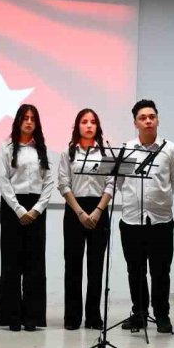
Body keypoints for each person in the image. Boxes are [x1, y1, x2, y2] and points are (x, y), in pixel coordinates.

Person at [117, 99, 174, 333]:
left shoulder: (170, 150)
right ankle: (140, 313)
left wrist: (158, 199)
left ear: (157, 119)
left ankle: (162, 315)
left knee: (160, 271)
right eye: (142, 117)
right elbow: (119, 182)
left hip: (161, 221)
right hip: (131, 220)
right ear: (135, 122)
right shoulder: (126, 150)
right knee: (135, 270)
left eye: (151, 116)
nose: (147, 121)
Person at [0, 104, 55, 332]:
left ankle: (32, 316)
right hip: (13, 208)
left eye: (33, 118)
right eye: (25, 118)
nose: (29, 122)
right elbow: (3, 181)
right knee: (11, 263)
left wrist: (37, 209)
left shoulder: (43, 149)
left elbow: (49, 182)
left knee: (35, 264)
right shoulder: (6, 148)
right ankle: (12, 316)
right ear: (18, 121)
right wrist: (19, 210)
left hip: (36, 208)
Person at [58, 108, 113, 331]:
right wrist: (80, 212)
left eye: (92, 122)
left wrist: (98, 210)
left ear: (97, 127)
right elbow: (63, 184)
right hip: (75, 210)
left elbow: (111, 183)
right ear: (77, 126)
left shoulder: (106, 153)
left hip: (99, 209)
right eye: (84, 122)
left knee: (96, 266)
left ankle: (93, 316)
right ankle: (72, 317)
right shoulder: (68, 153)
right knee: (73, 265)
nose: (89, 125)